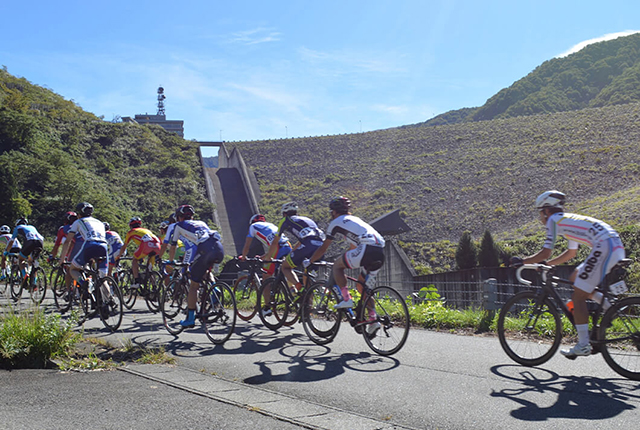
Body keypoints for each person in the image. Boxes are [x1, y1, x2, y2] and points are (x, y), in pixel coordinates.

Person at [510, 190, 625, 358]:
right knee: (574, 278)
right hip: (613, 245)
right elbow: (571, 254)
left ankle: (584, 344)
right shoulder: (567, 221)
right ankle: (607, 305)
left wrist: (523, 261)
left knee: (578, 297)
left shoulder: (554, 221)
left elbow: (546, 252)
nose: (540, 217)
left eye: (540, 212)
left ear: (547, 210)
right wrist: (546, 265)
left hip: (605, 247)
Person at [306, 196, 385, 336]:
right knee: (362, 287)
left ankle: (347, 299)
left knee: (337, 266)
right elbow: (352, 248)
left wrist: (311, 260)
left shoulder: (336, 222)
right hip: (379, 251)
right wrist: (345, 260)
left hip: (366, 248)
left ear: (334, 212)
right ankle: (373, 320)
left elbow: (323, 248)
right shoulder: (355, 220)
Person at [166, 204, 224, 328]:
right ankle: (214, 289)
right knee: (205, 271)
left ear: (179, 217)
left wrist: (171, 261)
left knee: (194, 285)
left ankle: (190, 319)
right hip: (218, 248)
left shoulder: (178, 225)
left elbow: (173, 246)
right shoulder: (201, 223)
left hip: (205, 250)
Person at [265, 201, 325, 294]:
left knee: (285, 267)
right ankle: (308, 305)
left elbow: (275, 242)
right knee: (307, 277)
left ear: (284, 213)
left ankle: (298, 288)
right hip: (321, 247)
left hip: (307, 246)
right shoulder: (308, 220)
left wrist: (269, 257)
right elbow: (302, 240)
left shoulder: (285, 220)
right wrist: (292, 253)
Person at [59, 202, 109, 293]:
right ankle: (110, 301)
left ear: (79, 214)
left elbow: (67, 241)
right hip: (104, 246)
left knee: (73, 269)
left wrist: (62, 259)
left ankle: (84, 283)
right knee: (102, 279)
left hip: (90, 244)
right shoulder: (99, 222)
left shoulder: (78, 222)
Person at [114, 216, 161, 289]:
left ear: (130, 225)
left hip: (146, 245)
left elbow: (124, 246)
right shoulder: (146, 230)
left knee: (134, 260)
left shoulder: (131, 232)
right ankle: (154, 288)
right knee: (149, 269)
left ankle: (137, 282)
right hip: (157, 246)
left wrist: (118, 257)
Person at [240, 214, 292, 278]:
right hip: (288, 245)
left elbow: (247, 245)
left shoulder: (253, 226)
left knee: (266, 275)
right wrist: (262, 257)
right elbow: (273, 249)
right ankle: (291, 287)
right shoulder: (271, 225)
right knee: (286, 270)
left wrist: (243, 256)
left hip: (277, 247)